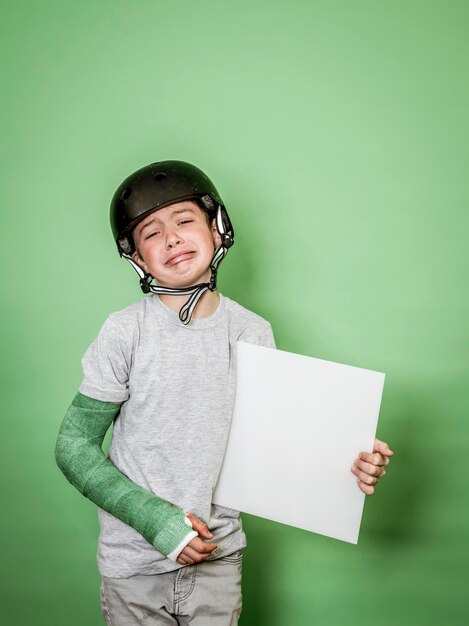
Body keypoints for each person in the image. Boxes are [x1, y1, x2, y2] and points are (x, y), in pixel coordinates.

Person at [55, 160, 393, 625]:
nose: (171, 237)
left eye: (185, 220)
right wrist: (157, 522)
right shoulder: (123, 332)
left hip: (219, 558)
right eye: (150, 233)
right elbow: (74, 447)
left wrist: (346, 459)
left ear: (217, 229)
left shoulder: (251, 332)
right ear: (136, 257)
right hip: (134, 567)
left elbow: (274, 444)